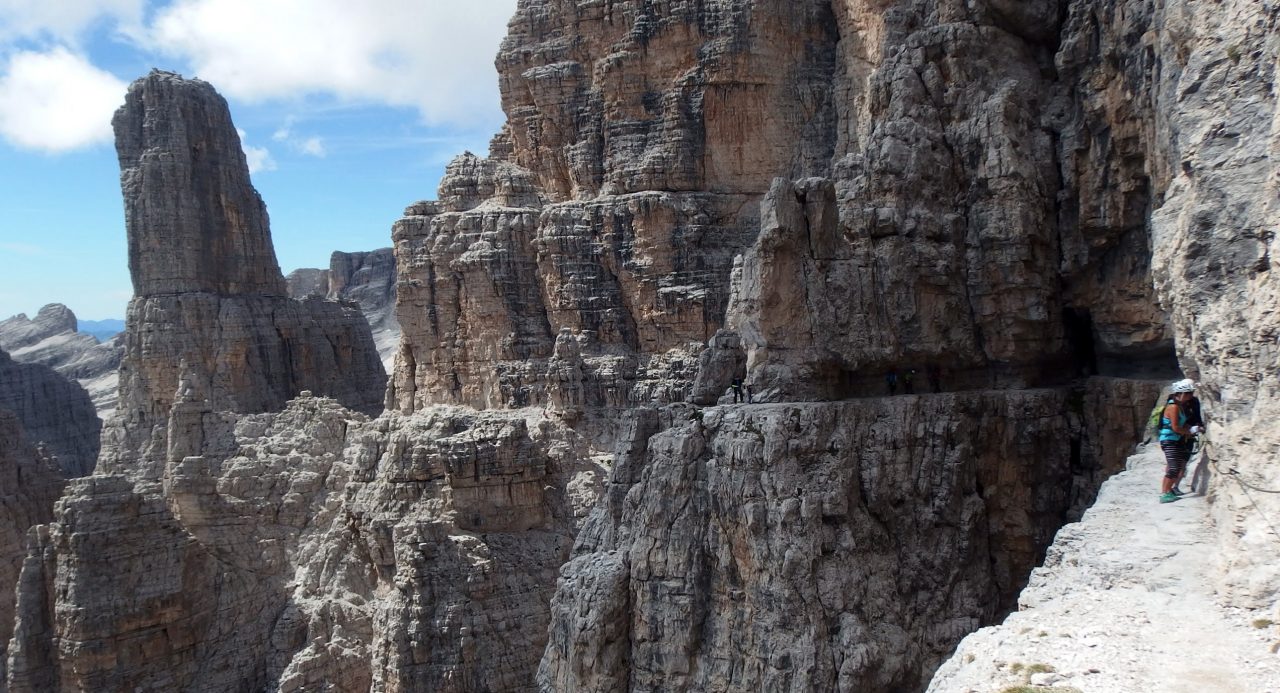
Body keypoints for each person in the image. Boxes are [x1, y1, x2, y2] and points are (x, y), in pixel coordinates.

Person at [1157, 379, 1202, 503]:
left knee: (1175, 467)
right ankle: (1165, 493)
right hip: (1170, 440)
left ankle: (1168, 490)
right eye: (1189, 394)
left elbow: (1183, 424)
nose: (1190, 397)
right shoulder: (1173, 407)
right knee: (1173, 468)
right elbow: (1176, 427)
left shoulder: (1179, 407)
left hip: (1174, 440)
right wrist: (1191, 431)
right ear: (1182, 394)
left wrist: (1193, 428)